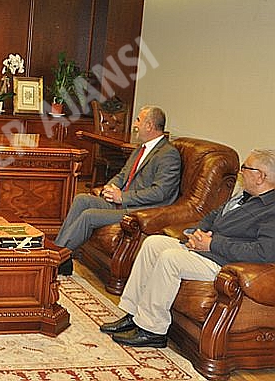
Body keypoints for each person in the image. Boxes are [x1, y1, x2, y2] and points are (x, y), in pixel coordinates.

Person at [101, 149, 275, 348]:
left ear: (261, 176)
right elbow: (213, 216)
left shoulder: (271, 210)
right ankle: (133, 315)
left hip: (226, 264)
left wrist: (212, 244)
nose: (241, 172)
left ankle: (152, 330)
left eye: (245, 168)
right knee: (153, 243)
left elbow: (264, 252)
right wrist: (195, 234)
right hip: (206, 249)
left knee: (170, 258)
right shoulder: (244, 196)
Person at [54, 105, 181, 275]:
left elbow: (160, 192)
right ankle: (58, 254)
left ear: (149, 125)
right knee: (81, 199)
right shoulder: (140, 149)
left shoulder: (168, 154)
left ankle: (56, 259)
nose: (135, 125)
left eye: (138, 120)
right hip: (121, 202)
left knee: (89, 215)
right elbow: (123, 175)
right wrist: (110, 187)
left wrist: (123, 197)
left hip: (138, 210)